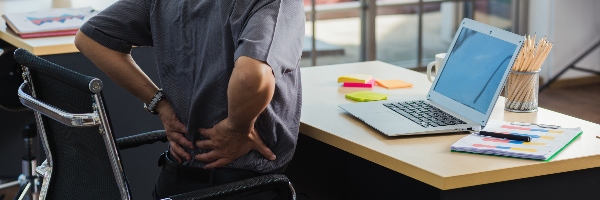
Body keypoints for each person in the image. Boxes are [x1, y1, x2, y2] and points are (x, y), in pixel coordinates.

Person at [74, 0, 304, 199]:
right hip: (245, 186)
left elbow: (89, 37)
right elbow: (250, 75)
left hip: (174, 181)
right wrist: (237, 128)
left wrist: (160, 105)